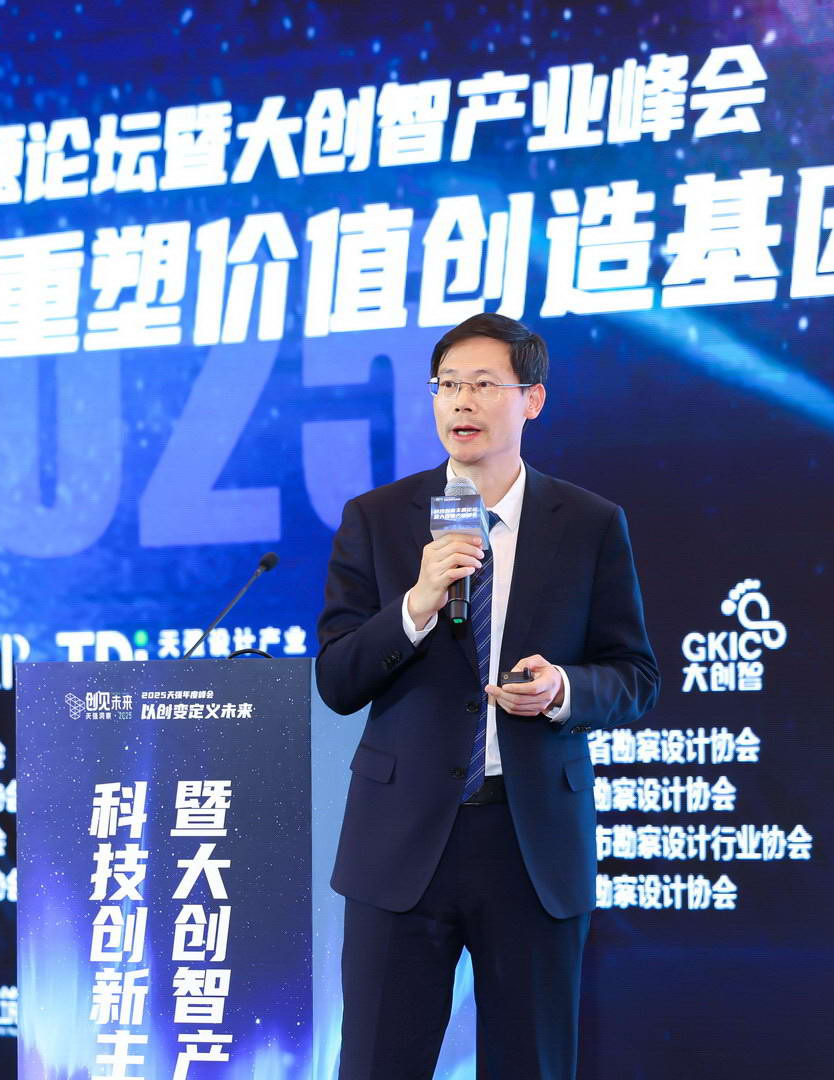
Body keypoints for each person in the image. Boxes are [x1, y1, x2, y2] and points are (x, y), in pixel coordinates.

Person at [316, 312, 659, 1079]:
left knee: (532, 1064)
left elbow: (635, 675)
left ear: (532, 399)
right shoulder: (377, 519)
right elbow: (337, 679)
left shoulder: (590, 525)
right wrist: (416, 604)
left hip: (529, 842)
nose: (461, 402)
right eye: (447, 385)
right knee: (375, 1064)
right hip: (400, 841)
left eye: (482, 385)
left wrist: (564, 688)